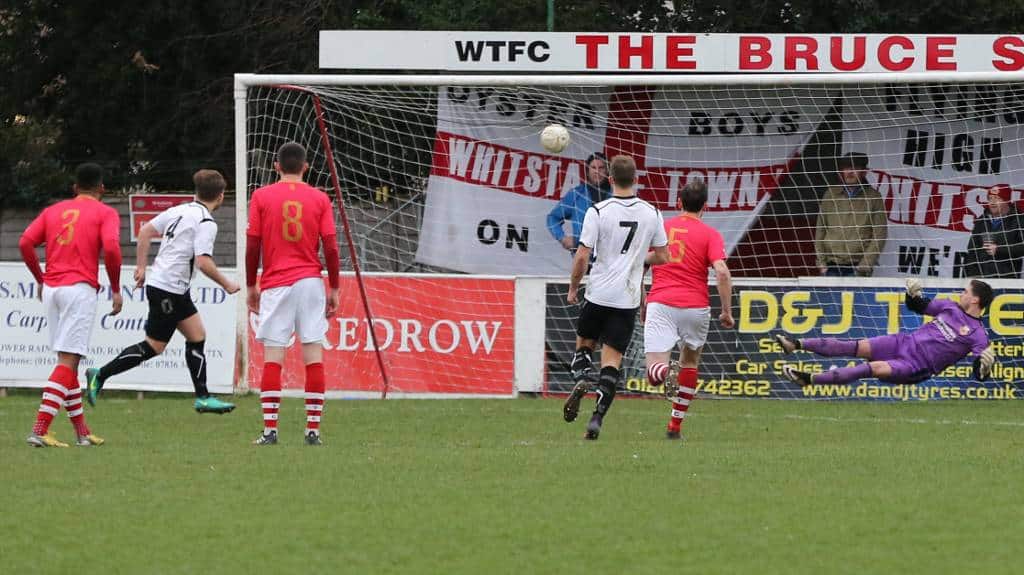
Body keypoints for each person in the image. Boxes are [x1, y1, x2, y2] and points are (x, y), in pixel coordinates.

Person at [85, 170, 240, 413]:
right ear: (221, 196)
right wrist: (227, 284)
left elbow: (145, 230)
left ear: (196, 192)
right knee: (154, 347)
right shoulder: (206, 223)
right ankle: (100, 374)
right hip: (168, 289)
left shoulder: (180, 210)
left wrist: (141, 267)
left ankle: (203, 397)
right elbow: (203, 262)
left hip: (168, 286)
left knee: (197, 336)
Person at [561, 154, 669, 440]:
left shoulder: (598, 211)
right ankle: (596, 419)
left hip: (598, 293)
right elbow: (663, 256)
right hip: (627, 300)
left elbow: (582, 255)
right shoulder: (652, 213)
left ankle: (583, 378)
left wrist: (573, 288)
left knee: (583, 347)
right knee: (613, 361)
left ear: (610, 180)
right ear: (635, 179)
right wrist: (635, 259)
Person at [18, 163, 123, 447]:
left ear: (75, 188)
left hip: (52, 288)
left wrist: (40, 279)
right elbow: (112, 248)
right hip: (79, 289)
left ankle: (82, 432)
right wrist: (115, 288)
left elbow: (26, 242)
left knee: (69, 362)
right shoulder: (106, 212)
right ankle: (40, 429)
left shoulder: (53, 211)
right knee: (67, 360)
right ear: (102, 188)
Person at [247, 142, 341, 446]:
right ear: (306, 167)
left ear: (276, 166)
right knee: (313, 356)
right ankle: (312, 431)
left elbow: (252, 245)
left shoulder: (261, 196)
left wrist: (251, 285)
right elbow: (330, 246)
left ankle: (270, 431)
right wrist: (335, 287)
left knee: (274, 357)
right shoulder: (320, 198)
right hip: (311, 282)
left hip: (277, 283)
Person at [643, 180, 734, 440]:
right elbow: (722, 272)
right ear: (705, 207)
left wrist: (641, 302)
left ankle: (664, 371)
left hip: (661, 303)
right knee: (690, 364)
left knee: (654, 374)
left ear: (678, 203)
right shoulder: (710, 234)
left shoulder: (661, 228)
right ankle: (675, 427)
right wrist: (726, 310)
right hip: (695, 307)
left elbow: (641, 264)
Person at [778, 279, 995, 387]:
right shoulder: (950, 306)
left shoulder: (978, 334)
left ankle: (810, 379)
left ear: (975, 299)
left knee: (871, 368)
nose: (961, 293)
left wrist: (984, 367)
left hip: (917, 366)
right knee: (855, 346)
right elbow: (919, 306)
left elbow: (980, 375)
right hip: (903, 342)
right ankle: (794, 344)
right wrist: (912, 294)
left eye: (965, 291)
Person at [815, 152, 888, 277]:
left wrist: (865, 265)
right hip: (831, 265)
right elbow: (820, 229)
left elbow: (880, 234)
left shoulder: (874, 197)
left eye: (855, 168)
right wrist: (821, 264)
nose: (850, 172)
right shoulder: (830, 194)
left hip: (857, 266)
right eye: (846, 168)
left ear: (864, 172)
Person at [546, 152, 610, 251]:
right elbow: (553, 218)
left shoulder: (617, 194)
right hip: (582, 260)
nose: (597, 171)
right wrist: (562, 238)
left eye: (601, 168)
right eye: (593, 167)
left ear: (607, 171)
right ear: (588, 171)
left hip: (612, 261)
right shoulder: (577, 193)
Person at [963, 184, 1024, 279]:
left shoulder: (1019, 220)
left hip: (1006, 279)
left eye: (997, 198)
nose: (992, 202)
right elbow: (972, 249)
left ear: (1006, 200)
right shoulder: (982, 220)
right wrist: (973, 275)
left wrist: (999, 249)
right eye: (990, 198)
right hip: (981, 279)